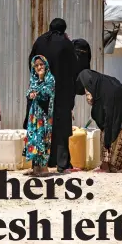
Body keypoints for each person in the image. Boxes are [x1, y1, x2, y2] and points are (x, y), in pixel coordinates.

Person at [24, 18, 79, 173]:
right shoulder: (66, 43)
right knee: (61, 127)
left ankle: (38, 165)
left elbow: (32, 62)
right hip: (61, 92)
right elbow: (73, 69)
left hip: (40, 91)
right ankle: (62, 164)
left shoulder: (40, 41)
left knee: (38, 127)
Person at [77, 70, 122, 173]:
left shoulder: (92, 84)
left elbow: (91, 100)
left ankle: (105, 166)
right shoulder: (100, 82)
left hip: (115, 104)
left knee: (108, 131)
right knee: (116, 131)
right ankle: (113, 165)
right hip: (119, 104)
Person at [23, 56, 56, 176]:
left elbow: (46, 94)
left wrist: (36, 91)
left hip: (44, 116)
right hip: (34, 116)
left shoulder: (50, 79)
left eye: (41, 64)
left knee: (42, 139)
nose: (39, 67)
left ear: (45, 65)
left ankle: (44, 168)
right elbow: (29, 92)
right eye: (36, 65)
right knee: (34, 139)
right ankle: (35, 168)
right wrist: (31, 93)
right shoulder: (34, 79)